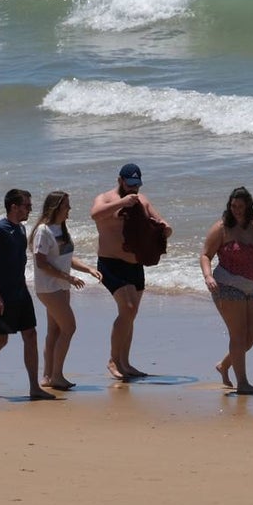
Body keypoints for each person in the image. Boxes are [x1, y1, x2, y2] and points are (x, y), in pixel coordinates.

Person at [0, 189, 56, 401]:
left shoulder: (21, 230)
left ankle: (34, 387)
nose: (30, 209)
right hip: (2, 294)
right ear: (14, 206)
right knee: (0, 340)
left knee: (31, 334)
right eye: (27, 205)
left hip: (20, 291)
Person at [90, 163, 172, 380]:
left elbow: (161, 221)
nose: (134, 189)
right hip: (110, 262)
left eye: (137, 185)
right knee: (127, 308)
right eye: (130, 184)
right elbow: (95, 214)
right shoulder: (106, 199)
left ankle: (125, 363)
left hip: (134, 263)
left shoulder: (142, 200)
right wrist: (122, 202)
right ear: (120, 181)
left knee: (131, 313)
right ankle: (112, 360)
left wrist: (164, 228)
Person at [199, 186, 253, 394]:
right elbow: (205, 255)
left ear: (248, 207)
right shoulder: (221, 228)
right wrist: (208, 276)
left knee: (252, 336)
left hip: (252, 287)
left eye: (240, 207)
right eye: (233, 206)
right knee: (238, 335)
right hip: (226, 285)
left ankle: (224, 365)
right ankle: (242, 383)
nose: (236, 210)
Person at [30, 190, 101, 389]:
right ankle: (57, 375)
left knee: (55, 330)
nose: (69, 209)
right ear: (56, 208)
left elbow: (66, 258)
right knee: (69, 327)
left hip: (60, 287)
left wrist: (88, 269)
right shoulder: (43, 231)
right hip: (48, 288)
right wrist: (68, 277)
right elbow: (41, 262)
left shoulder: (61, 228)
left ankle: (47, 376)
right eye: (66, 205)